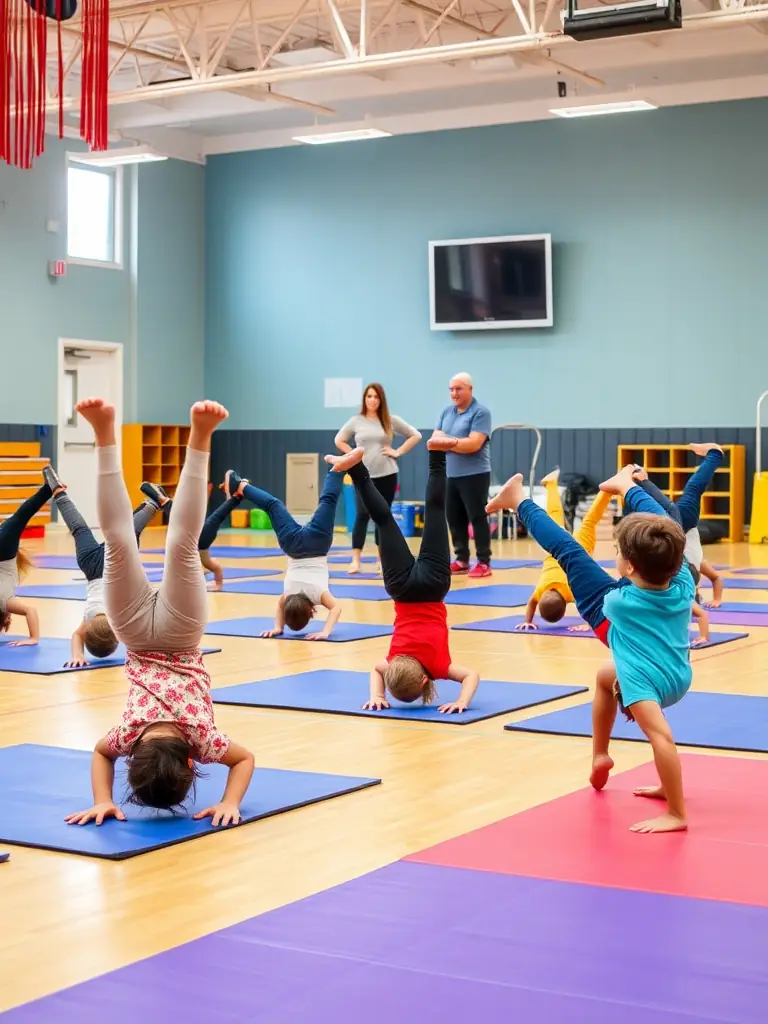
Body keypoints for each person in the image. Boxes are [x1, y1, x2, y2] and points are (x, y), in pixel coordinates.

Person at [487, 458, 708, 835]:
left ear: (630, 569)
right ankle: (601, 754)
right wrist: (631, 490)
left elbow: (665, 739)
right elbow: (672, 533)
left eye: (620, 553)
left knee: (570, 554)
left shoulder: (618, 601)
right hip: (677, 676)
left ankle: (519, 501)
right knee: (606, 677)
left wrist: (677, 814)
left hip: (642, 676)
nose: (616, 557)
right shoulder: (685, 582)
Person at [65, 398, 255, 828]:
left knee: (183, 542)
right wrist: (102, 799)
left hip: (182, 635)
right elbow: (100, 752)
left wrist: (230, 801)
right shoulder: (128, 736)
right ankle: (103, 433)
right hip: (132, 632)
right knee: (117, 539)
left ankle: (201, 437)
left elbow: (244, 760)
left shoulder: (201, 740)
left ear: (191, 763)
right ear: (133, 754)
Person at [325, 439, 480, 714]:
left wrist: (461, 702)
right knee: (384, 520)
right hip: (401, 589)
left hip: (433, 587)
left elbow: (471, 676)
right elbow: (376, 669)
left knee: (434, 511)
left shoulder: (439, 667)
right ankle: (356, 469)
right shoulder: (392, 660)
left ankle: (436, 452)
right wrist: (376, 694)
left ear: (424, 680)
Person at [42, 466, 160, 667]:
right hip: (90, 566)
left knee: (129, 535)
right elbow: (76, 636)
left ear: (117, 635)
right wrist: (77, 655)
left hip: (115, 570)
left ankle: (152, 504)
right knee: (79, 529)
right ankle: (59, 493)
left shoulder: (120, 618)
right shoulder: (89, 620)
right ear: (88, 631)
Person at [224, 468, 344, 640]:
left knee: (328, 501)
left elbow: (336, 607)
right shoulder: (287, 594)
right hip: (292, 544)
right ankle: (242, 486)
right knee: (273, 506)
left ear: (311, 611)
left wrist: (325, 632)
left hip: (318, 544)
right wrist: (277, 627)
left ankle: (337, 470)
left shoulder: (318, 594)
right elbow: (280, 605)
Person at [334, 382, 421, 574]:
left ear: (381, 400)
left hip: (387, 474)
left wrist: (398, 451)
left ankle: (382, 560)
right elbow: (339, 440)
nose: (372, 400)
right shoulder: (356, 421)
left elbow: (415, 435)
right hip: (363, 475)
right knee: (362, 515)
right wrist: (354, 455)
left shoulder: (390, 420)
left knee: (383, 515)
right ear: (364, 399)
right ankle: (355, 559)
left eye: (376, 397)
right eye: (369, 396)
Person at [629, 444, 725, 608]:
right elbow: (716, 578)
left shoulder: (671, 573)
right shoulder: (696, 566)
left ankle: (715, 455)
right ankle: (714, 454)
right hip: (686, 524)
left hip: (675, 527)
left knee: (684, 494)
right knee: (692, 490)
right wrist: (717, 599)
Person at [517, 467, 613, 630]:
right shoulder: (540, 591)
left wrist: (588, 625)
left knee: (589, 521)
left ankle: (607, 491)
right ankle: (550, 484)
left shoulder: (572, 593)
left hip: (578, 550)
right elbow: (532, 603)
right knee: (554, 517)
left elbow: (592, 605)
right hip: (557, 546)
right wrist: (528, 619)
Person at [139, 476, 245, 592]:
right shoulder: (204, 562)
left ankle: (237, 495)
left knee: (172, 508)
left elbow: (214, 569)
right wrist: (218, 584)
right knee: (215, 517)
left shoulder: (191, 565)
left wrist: (217, 584)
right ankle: (237, 495)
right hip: (201, 539)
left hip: (193, 537)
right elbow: (216, 569)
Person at [435, 372, 492, 578]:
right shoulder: (446, 412)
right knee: (454, 517)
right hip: (452, 475)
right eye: (451, 389)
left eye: (458, 388)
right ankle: (462, 559)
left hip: (476, 474)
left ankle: (484, 562)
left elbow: (474, 444)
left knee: (477, 517)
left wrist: (448, 442)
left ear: (469, 389)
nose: (454, 393)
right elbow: (434, 440)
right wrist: (458, 442)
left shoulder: (480, 413)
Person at [0, 476, 52, 647]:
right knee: (19, 517)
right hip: (5, 550)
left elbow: (31, 611)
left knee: (21, 517)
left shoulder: (5, 602)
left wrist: (33, 638)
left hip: (4, 551)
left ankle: (48, 489)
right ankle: (48, 488)